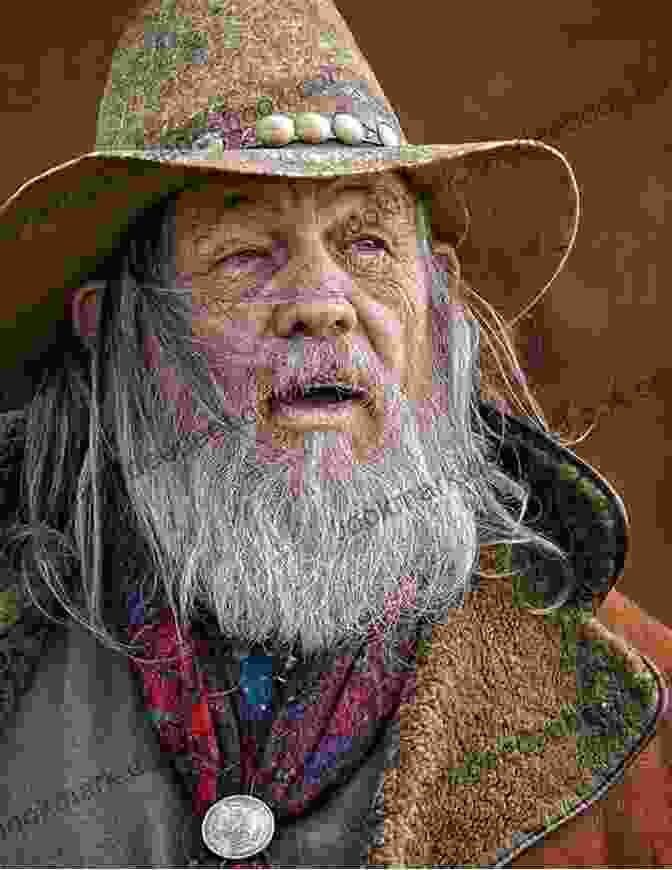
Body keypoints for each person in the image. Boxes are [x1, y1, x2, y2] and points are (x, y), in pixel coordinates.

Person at [0, 0, 670, 866]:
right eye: (245, 254)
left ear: (437, 309)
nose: (322, 304)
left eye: (367, 245)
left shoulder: (631, 709)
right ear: (115, 331)